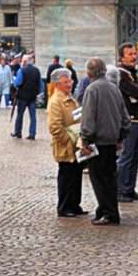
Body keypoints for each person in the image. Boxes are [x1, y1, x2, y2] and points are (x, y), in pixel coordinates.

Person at [81, 59, 131, 225]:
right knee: (110, 178)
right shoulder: (113, 88)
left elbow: (88, 117)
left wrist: (85, 138)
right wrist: (121, 136)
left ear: (89, 73)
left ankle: (108, 212)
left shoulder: (92, 89)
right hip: (112, 141)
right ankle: (106, 210)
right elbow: (125, 116)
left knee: (99, 179)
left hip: (98, 141)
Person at [115, 42, 138, 202]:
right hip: (129, 120)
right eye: (130, 54)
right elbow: (137, 92)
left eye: (135, 54)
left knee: (136, 157)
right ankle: (122, 189)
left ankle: (130, 188)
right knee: (127, 156)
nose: (134, 57)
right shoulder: (122, 74)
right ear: (122, 57)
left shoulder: (133, 73)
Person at [47, 68, 86, 216]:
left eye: (70, 81)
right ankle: (64, 207)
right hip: (66, 146)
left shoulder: (70, 97)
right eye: (65, 82)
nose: (69, 84)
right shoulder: (56, 101)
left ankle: (75, 204)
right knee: (66, 177)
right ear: (57, 84)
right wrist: (69, 140)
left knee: (76, 175)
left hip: (76, 145)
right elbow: (55, 127)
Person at [11, 57, 43, 140]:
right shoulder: (37, 71)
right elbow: (40, 84)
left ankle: (18, 132)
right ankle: (32, 133)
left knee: (20, 115)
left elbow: (18, 83)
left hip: (22, 96)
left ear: (25, 62)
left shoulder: (22, 70)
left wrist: (14, 83)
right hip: (32, 96)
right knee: (33, 116)